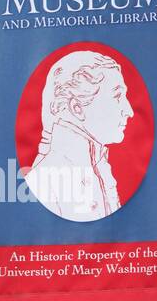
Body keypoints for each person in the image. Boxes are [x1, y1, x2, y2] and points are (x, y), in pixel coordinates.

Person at [23, 51, 134, 222]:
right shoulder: (44, 183)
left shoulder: (100, 169)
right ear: (77, 108)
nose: (129, 111)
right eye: (117, 96)